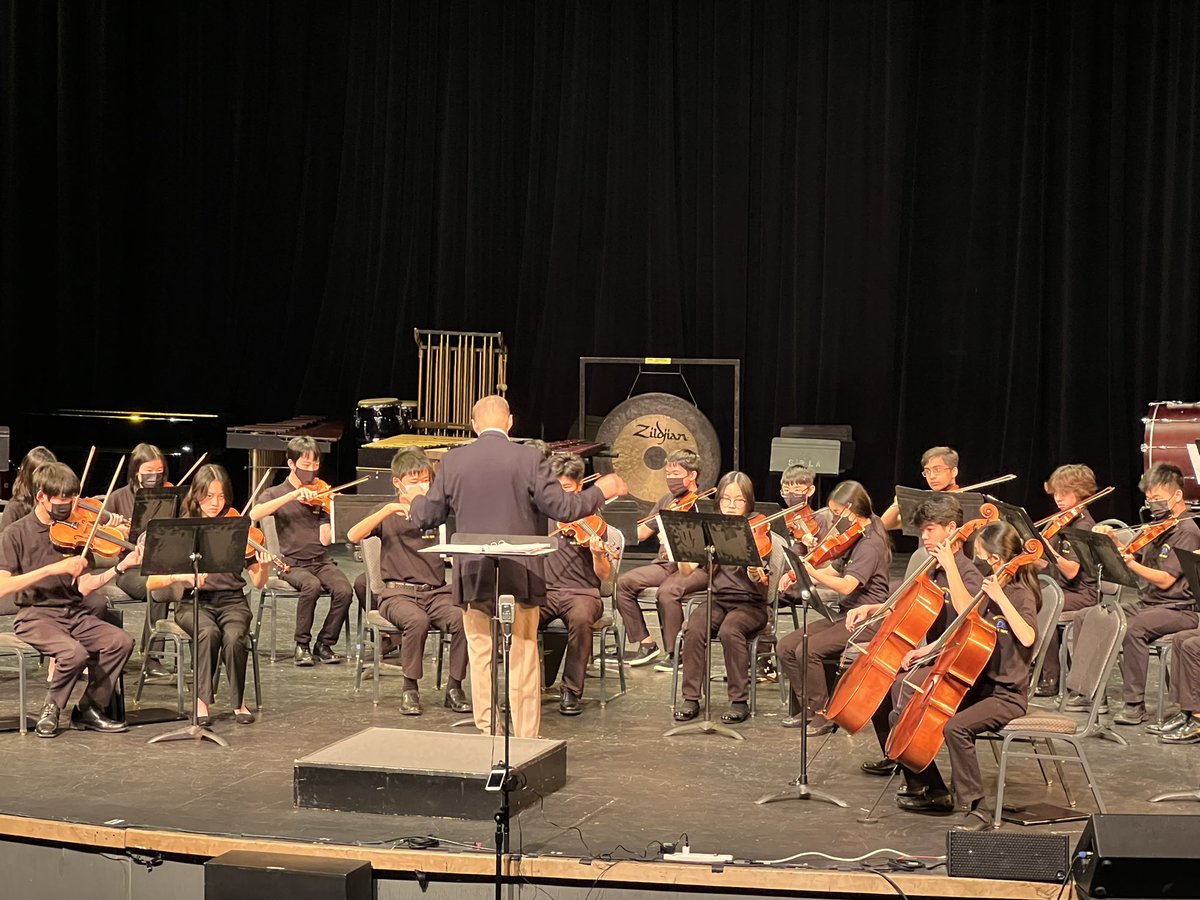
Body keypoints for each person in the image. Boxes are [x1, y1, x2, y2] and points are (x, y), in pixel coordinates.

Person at [401, 395, 627, 738]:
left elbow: (425, 516)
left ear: (475, 426)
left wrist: (415, 498)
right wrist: (600, 491)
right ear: (509, 423)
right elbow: (563, 508)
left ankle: (489, 731)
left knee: (481, 653)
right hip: (520, 573)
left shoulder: (454, 461)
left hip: (474, 573)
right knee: (523, 652)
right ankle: (525, 738)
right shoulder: (529, 457)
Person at [889, 520, 1040, 829]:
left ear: (996, 558)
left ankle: (978, 807)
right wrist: (927, 651)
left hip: (1006, 695)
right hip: (978, 684)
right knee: (905, 713)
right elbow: (964, 625)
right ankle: (932, 788)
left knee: (957, 727)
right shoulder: (990, 587)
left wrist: (1000, 598)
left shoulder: (1021, 595)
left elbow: (1027, 637)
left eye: (981, 554)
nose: (978, 560)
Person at [848, 495, 985, 777]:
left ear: (951, 529)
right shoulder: (931, 567)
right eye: (922, 530)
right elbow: (905, 600)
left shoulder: (969, 572)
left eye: (930, 529)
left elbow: (967, 617)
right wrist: (872, 608)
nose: (924, 536)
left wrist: (949, 565)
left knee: (903, 688)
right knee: (881, 686)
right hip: (936, 656)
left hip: (960, 663)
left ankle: (926, 780)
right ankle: (894, 753)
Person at [0, 462, 138, 737]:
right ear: (42, 497)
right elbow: (2, 586)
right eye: (62, 499)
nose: (69, 504)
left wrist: (119, 568)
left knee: (120, 642)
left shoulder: (73, 531)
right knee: (73, 653)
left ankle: (89, 708)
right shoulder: (15, 533)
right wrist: (53, 568)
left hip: (73, 612)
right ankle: (52, 708)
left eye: (72, 497)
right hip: (35, 615)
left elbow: (85, 585)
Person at [346, 448, 470, 716]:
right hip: (397, 594)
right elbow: (354, 534)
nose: (420, 486)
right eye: (413, 481)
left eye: (424, 479)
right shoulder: (386, 513)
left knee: (463, 619)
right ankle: (410, 688)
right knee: (416, 621)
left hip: (436, 592)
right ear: (397, 482)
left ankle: (454, 687)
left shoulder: (438, 513)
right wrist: (390, 508)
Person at [145, 464, 266, 725]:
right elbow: (152, 583)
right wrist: (181, 577)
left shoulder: (236, 528)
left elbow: (257, 581)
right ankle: (201, 701)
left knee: (234, 637)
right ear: (197, 494)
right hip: (193, 603)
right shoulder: (181, 529)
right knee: (207, 632)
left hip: (233, 601)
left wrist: (265, 566)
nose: (215, 503)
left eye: (221, 497)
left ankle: (238, 702)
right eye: (209, 496)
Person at [777, 480, 891, 734]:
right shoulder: (853, 538)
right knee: (786, 646)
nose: (836, 521)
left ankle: (823, 712)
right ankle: (808, 706)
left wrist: (811, 573)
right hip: (845, 615)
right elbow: (833, 569)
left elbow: (847, 586)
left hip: (867, 620)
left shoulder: (871, 544)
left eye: (839, 514)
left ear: (853, 509)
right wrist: (798, 573)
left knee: (809, 649)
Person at [1096, 463, 1200, 726]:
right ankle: (1092, 693)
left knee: (1133, 628)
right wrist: (1115, 543)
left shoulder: (1187, 532)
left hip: (1179, 610)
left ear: (1177, 496)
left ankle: (1134, 704)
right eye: (1149, 499)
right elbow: (1135, 554)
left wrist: (1129, 562)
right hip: (1150, 604)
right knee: (1101, 616)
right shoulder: (1157, 526)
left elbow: (1165, 580)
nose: (1152, 504)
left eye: (1158, 498)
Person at [673, 472, 770, 725]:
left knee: (730, 630)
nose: (731, 506)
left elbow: (764, 584)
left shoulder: (759, 530)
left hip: (750, 605)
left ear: (749, 503)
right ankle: (691, 698)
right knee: (694, 628)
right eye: (726, 499)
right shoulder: (712, 530)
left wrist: (755, 572)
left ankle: (739, 700)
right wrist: (679, 548)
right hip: (718, 599)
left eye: (738, 501)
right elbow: (687, 570)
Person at [249, 436, 354, 666]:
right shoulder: (276, 493)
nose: (312, 470)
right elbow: (255, 515)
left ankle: (324, 643)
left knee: (345, 591)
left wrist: (333, 511)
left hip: (321, 560)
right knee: (311, 586)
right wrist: (294, 495)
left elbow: (325, 541)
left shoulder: (320, 494)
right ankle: (302, 645)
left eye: (315, 465)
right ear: (291, 464)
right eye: (306, 465)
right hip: (291, 563)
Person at [612, 449, 709, 669]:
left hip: (696, 567)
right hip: (666, 564)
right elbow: (641, 533)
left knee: (668, 592)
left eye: (676, 473)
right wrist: (612, 526)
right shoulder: (667, 500)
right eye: (668, 473)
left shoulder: (703, 504)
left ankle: (677, 653)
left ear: (692, 475)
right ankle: (646, 644)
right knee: (623, 584)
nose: (670, 478)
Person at [541, 452, 615, 716]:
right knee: (518, 616)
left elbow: (605, 576)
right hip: (545, 592)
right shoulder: (542, 517)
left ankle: (571, 690)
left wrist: (597, 554)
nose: (561, 497)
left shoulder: (593, 523)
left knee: (582, 618)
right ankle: (527, 685)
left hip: (582, 593)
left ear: (580, 486)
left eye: (567, 489)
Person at [106, 443, 173, 676]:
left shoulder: (170, 495)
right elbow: (102, 537)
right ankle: (152, 658)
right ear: (136, 471)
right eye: (149, 472)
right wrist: (117, 531)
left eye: (159, 472)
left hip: (162, 564)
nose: (155, 477)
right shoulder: (118, 498)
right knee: (157, 588)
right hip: (129, 569)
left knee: (165, 583)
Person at [1034, 464, 1100, 696]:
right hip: (1061, 588)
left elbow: (1071, 571)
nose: (1058, 499)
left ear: (1081, 493)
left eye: (1064, 493)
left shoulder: (1083, 526)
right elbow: (1050, 567)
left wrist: (1045, 549)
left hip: (1082, 593)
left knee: (1042, 604)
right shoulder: (1062, 521)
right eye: (1055, 493)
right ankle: (1039, 667)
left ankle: (1051, 676)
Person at [880, 446, 961, 531]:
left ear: (954, 472)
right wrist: (897, 504)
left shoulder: (964, 502)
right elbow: (884, 526)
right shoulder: (926, 503)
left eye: (937, 470)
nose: (931, 476)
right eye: (927, 471)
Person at [0, 446, 57, 535]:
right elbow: (5, 545)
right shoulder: (14, 509)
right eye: (44, 476)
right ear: (30, 476)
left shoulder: (54, 505)